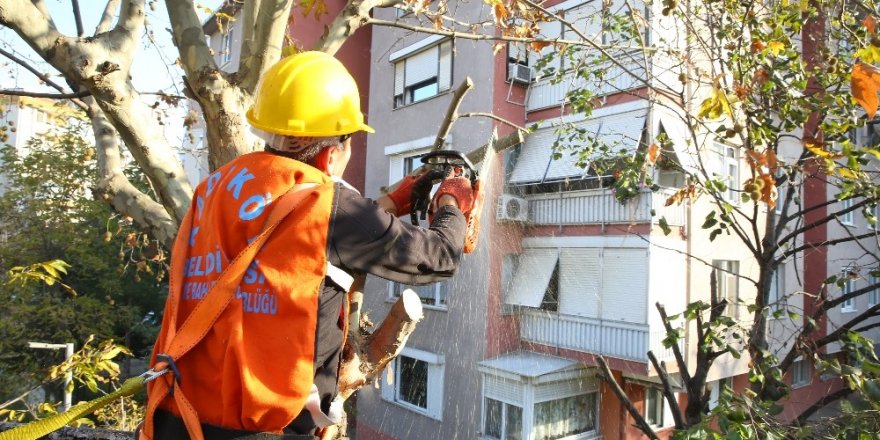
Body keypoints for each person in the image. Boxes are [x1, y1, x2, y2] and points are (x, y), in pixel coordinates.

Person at [141, 51, 475, 439]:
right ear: (333, 152)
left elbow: (284, 245)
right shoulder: (326, 204)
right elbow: (438, 257)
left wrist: (391, 204)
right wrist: (453, 201)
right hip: (262, 430)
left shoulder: (214, 187)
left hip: (174, 418)